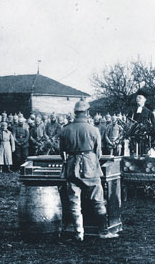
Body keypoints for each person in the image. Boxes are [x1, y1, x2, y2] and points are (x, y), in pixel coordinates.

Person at [60, 99, 118, 241]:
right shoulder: (93, 130)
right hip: (90, 166)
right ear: (87, 112)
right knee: (98, 200)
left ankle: (78, 233)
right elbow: (98, 153)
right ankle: (103, 232)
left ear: (75, 113)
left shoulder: (65, 129)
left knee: (74, 202)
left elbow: (62, 152)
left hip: (72, 167)